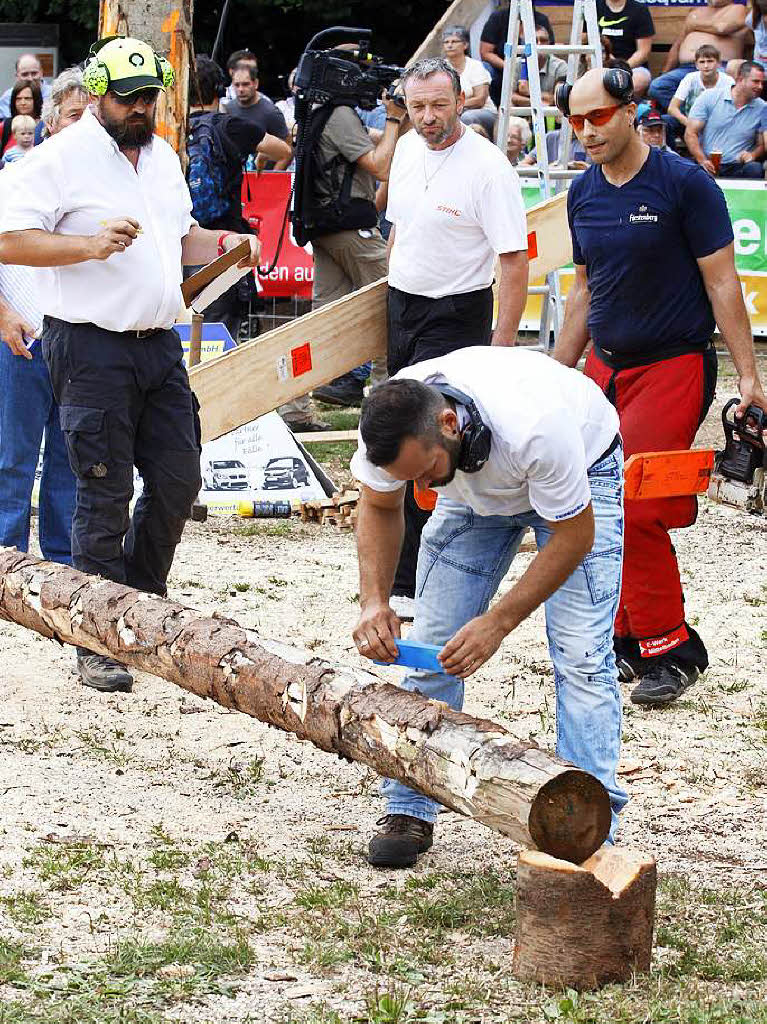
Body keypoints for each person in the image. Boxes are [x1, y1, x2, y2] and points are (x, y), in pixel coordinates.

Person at [0, 35, 262, 694]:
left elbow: (179, 240)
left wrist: (225, 241)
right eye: (128, 98)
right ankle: (95, 637)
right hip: (89, 345)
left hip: (157, 342)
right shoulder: (57, 159)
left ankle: (140, 603)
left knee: (179, 476)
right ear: (97, 94)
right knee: (103, 490)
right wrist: (87, 245)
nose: (140, 107)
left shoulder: (164, 156)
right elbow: (7, 238)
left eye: (149, 96)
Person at [350, 347, 626, 867]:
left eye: (427, 469)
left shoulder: (536, 428)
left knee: (583, 661)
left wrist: (498, 622)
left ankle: (590, 831)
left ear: (450, 424)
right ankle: (410, 805)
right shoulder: (389, 429)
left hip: (581, 472)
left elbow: (573, 536)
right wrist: (374, 601)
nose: (423, 486)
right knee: (432, 646)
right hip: (475, 495)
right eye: (411, 477)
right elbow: (380, 505)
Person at [554, 66, 767, 706]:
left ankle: (671, 647)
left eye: (597, 117)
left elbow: (723, 282)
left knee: (640, 505)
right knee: (593, 503)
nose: (586, 131)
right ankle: (623, 638)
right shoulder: (583, 193)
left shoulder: (684, 184)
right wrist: (550, 377)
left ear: (630, 111)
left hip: (675, 364)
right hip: (605, 367)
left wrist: (751, 376)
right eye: (575, 120)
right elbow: (585, 294)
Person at [383, 58, 529, 620]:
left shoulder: (488, 168)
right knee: (397, 429)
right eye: (417, 106)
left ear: (461, 101)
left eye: (438, 105)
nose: (427, 117)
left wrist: (501, 345)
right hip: (403, 303)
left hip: (457, 310)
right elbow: (399, 231)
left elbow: (513, 260)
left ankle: (425, 576)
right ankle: (403, 572)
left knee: (430, 438)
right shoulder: (405, 150)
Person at [0, 68, 88, 574]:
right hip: (23, 337)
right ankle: (6, 560)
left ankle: (59, 566)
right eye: (74, 116)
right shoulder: (15, 180)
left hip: (75, 339)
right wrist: (4, 314)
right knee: (14, 456)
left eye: (90, 117)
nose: (82, 126)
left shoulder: (97, 190)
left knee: (67, 459)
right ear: (52, 122)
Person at [302, 60, 407, 410]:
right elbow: (380, 165)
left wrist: (401, 119)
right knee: (390, 301)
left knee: (326, 319)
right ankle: (385, 395)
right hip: (350, 227)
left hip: (328, 228)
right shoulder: (341, 114)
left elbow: (375, 144)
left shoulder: (321, 111)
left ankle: (298, 404)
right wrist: (392, 117)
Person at [187, 55, 291, 341]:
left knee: (181, 330)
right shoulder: (231, 126)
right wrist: (256, 159)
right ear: (221, 89)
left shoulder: (170, 128)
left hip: (180, 242)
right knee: (218, 332)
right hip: (225, 243)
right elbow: (282, 150)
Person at [649, 0, 752, 113]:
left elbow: (722, 28)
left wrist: (693, 24)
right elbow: (677, 46)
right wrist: (664, 72)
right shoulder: (697, 11)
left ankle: (703, 119)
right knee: (657, 86)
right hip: (686, 68)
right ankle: (691, 116)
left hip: (718, 68)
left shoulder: (738, 8)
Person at [685, 59, 766, 178]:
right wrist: (702, 160)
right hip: (709, 162)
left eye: (762, 83)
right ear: (740, 79)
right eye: (755, 81)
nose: (760, 86)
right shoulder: (710, 97)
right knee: (687, 167)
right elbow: (690, 133)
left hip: (738, 166)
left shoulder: (762, 107)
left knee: (755, 168)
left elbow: (762, 144)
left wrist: (752, 155)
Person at [480, 2, 555, 107]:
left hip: (535, 65)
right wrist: (512, 66)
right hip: (503, 66)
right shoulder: (497, 18)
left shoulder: (541, 19)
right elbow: (486, 53)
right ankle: (495, 107)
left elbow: (548, 50)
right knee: (485, 68)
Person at [222, 60, 292, 169]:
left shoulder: (271, 112)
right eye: (237, 85)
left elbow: (288, 149)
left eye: (245, 84)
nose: (240, 89)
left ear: (255, 83)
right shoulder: (228, 109)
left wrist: (273, 176)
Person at [667, 44, 735, 148]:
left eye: (710, 61)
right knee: (666, 121)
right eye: (702, 62)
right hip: (690, 121)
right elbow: (672, 108)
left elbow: (732, 111)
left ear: (719, 64)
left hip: (716, 125)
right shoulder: (690, 78)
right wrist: (689, 123)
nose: (706, 66)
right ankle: (672, 154)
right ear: (696, 65)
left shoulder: (728, 81)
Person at [441, 25, 496, 137]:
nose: (450, 45)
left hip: (482, 112)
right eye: (446, 42)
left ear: (465, 45)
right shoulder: (440, 68)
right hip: (451, 112)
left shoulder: (475, 66)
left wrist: (453, 105)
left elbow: (480, 99)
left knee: (466, 118)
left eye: (454, 41)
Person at [511, 25, 568, 110]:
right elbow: (510, 96)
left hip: (551, 116)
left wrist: (528, 91)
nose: (539, 44)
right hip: (524, 114)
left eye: (543, 40)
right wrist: (540, 103)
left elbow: (557, 99)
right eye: (534, 40)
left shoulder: (560, 66)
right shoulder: (516, 64)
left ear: (549, 43)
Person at [596, 0, 655, 68]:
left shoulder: (640, 9)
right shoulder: (594, 7)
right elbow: (585, 39)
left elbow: (643, 52)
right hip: (600, 64)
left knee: (637, 77)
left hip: (633, 67)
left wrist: (622, 67)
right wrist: (604, 56)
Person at [1, 80, 45, 156]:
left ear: (36, 100)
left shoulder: (45, 126)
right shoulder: (6, 125)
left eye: (27, 98)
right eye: (18, 99)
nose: (23, 103)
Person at [0, 54, 51, 119]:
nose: (30, 78)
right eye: (24, 74)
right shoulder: (8, 97)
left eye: (34, 73)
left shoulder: (54, 94)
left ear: (41, 72)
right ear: (17, 76)